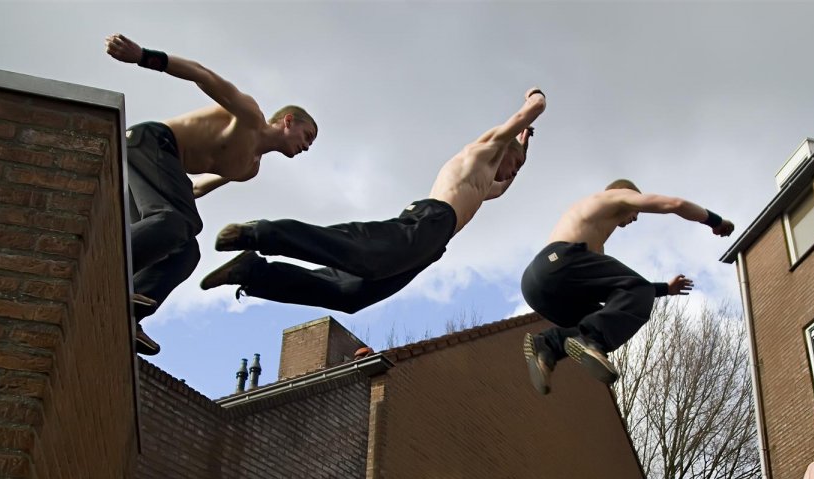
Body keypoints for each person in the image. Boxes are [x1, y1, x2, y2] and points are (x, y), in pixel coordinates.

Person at [198, 88, 547, 312]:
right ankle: (259, 234)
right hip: (429, 221)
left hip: (433, 244)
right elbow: (524, 115)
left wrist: (524, 150)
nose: (509, 174)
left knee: (350, 295)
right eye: (513, 165)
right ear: (503, 150)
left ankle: (254, 273)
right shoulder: (480, 154)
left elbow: (502, 189)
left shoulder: (486, 184)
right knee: (366, 255)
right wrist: (535, 99)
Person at [105, 33, 318, 355]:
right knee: (177, 221)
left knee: (185, 250)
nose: (306, 146)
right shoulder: (248, 116)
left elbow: (195, 188)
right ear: (288, 121)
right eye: (307, 136)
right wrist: (143, 56)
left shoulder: (248, 168)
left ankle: (128, 313)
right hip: (149, 141)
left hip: (156, 170)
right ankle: (105, 269)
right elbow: (202, 75)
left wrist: (176, 210)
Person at [520, 180, 732, 393]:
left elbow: (619, 292)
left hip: (538, 285)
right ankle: (590, 339)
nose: (636, 217)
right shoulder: (614, 196)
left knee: (605, 318)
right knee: (605, 324)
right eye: (636, 211)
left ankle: (547, 345)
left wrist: (665, 289)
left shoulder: (591, 232)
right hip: (561, 262)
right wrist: (716, 221)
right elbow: (675, 204)